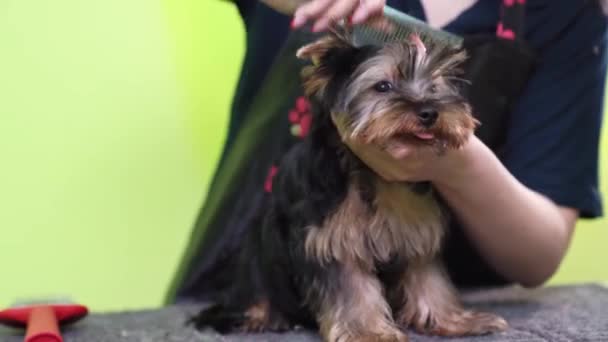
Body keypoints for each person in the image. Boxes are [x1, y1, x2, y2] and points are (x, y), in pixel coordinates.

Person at [166, 0, 607, 303]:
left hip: (439, 311)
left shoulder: (565, 13)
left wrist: (459, 164)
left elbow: (538, 255)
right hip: (254, 294)